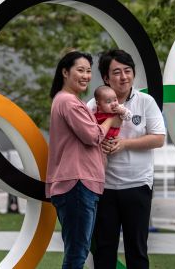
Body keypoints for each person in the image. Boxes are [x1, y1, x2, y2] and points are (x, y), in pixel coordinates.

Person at [88, 49, 166, 269]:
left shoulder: (145, 101)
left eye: (127, 71)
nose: (123, 77)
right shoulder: (92, 105)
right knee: (104, 250)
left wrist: (123, 144)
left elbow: (159, 138)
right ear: (105, 77)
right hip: (103, 187)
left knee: (137, 250)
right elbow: (83, 139)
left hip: (138, 185)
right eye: (116, 72)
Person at [46, 51, 122, 269]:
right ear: (64, 72)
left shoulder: (67, 101)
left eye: (89, 71)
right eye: (80, 70)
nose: (86, 75)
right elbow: (92, 136)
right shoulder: (69, 102)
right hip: (77, 183)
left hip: (81, 183)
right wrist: (110, 120)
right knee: (77, 252)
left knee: (79, 249)